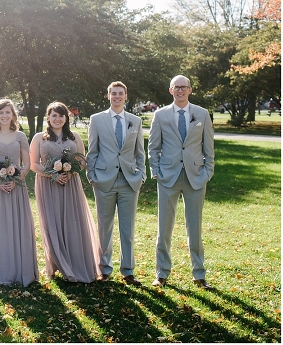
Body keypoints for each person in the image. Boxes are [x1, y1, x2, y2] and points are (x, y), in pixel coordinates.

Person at [149, 75, 215, 289]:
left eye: (183, 87)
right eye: (176, 87)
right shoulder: (160, 115)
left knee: (195, 228)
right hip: (168, 177)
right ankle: (161, 273)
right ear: (171, 90)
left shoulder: (202, 114)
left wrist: (207, 172)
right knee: (164, 228)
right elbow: (153, 147)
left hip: (195, 177)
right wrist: (156, 171)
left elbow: (209, 147)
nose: (180, 90)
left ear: (190, 90)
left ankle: (199, 274)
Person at [30, 101, 101, 283]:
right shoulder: (39, 138)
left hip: (70, 184)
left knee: (72, 221)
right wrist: (52, 174)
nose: (57, 119)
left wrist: (71, 172)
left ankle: (74, 260)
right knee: (51, 222)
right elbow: (33, 164)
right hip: (47, 185)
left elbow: (82, 161)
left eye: (61, 115)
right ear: (48, 117)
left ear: (66, 118)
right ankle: (56, 262)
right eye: (54, 115)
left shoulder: (74, 136)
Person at [86, 82, 146, 286]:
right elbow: (92, 151)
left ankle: (128, 270)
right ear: (108, 95)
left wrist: (141, 175)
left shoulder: (135, 121)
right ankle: (104, 268)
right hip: (104, 180)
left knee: (128, 229)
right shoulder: (97, 119)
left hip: (129, 180)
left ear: (125, 96)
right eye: (114, 93)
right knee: (105, 227)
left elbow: (140, 153)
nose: (117, 96)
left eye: (120, 93)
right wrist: (92, 176)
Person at [0, 98, 39, 286]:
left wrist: (16, 180)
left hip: (16, 186)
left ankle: (19, 270)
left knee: (17, 224)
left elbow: (27, 164)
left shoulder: (20, 136)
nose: (4, 115)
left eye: (8, 112)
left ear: (13, 115)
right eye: (1, 112)